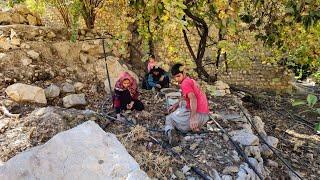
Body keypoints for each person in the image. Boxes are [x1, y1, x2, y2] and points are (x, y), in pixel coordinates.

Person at [164, 63, 209, 144]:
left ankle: (170, 132)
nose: (177, 79)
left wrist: (193, 118)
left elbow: (193, 98)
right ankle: (194, 126)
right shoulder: (191, 80)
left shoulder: (185, 83)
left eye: (178, 76)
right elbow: (185, 97)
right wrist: (176, 105)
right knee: (182, 104)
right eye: (175, 77)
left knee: (169, 118)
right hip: (204, 116)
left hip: (197, 118)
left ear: (184, 73)